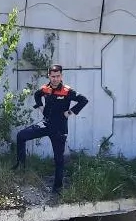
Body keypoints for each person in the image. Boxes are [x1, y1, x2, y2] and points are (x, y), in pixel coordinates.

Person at [13, 64, 88, 194]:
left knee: (59, 159)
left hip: (59, 129)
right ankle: (21, 167)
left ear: (61, 76)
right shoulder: (45, 89)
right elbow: (37, 95)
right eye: (53, 76)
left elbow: (83, 100)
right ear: (49, 76)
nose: (55, 79)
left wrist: (69, 113)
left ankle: (57, 188)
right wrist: (40, 107)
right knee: (21, 135)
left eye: (58, 76)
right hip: (46, 124)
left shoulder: (67, 91)